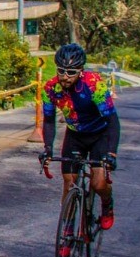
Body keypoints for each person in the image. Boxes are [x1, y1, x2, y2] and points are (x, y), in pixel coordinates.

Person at [40, 43, 120, 241]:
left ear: (80, 71)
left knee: (98, 182)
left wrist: (111, 153)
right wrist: (48, 148)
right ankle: (67, 231)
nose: (65, 76)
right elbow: (49, 121)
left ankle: (107, 204)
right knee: (69, 183)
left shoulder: (94, 85)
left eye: (71, 72)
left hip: (99, 135)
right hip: (75, 135)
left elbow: (112, 122)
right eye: (61, 71)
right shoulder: (51, 88)